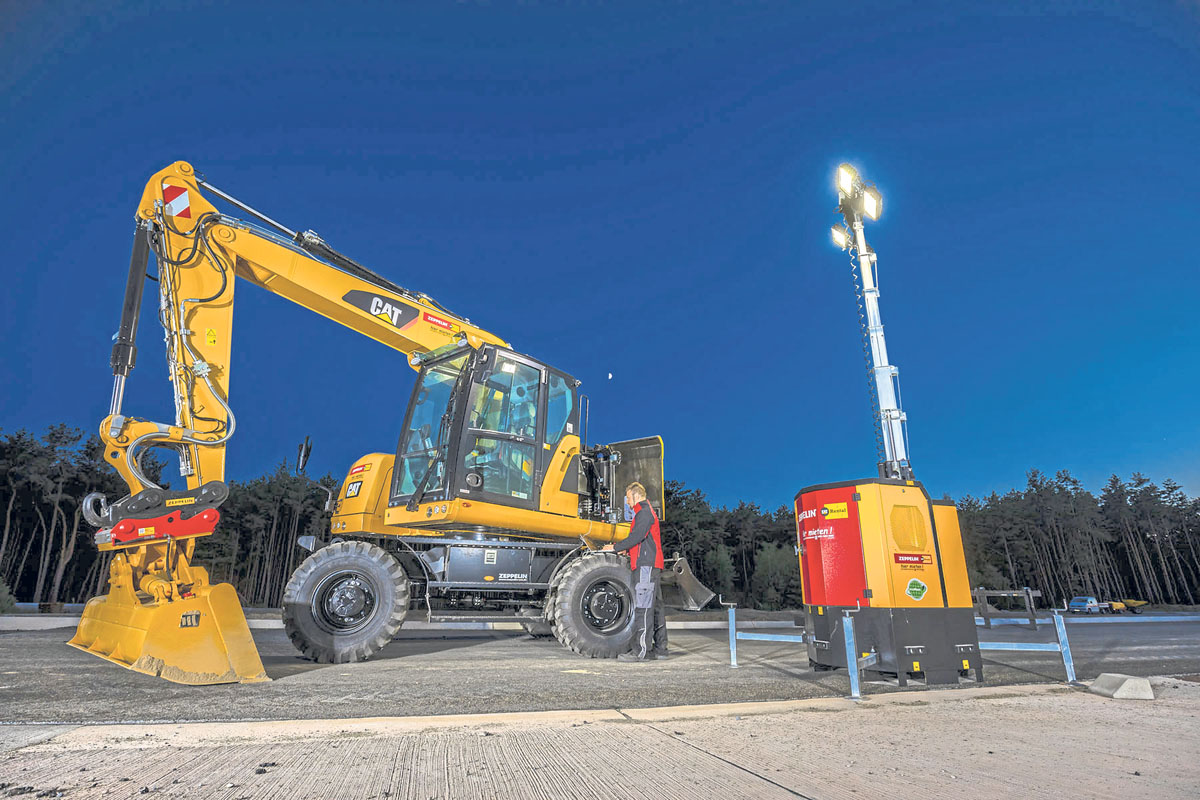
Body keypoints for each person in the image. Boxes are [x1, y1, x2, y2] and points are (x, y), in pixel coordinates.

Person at [602, 481, 667, 662]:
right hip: (651, 564)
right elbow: (641, 540)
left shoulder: (644, 513)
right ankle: (661, 649)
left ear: (636, 496)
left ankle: (641, 651)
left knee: (644, 608)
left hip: (645, 566)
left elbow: (637, 537)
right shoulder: (645, 512)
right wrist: (626, 549)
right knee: (656, 609)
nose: (628, 503)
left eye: (629, 498)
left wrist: (615, 547)